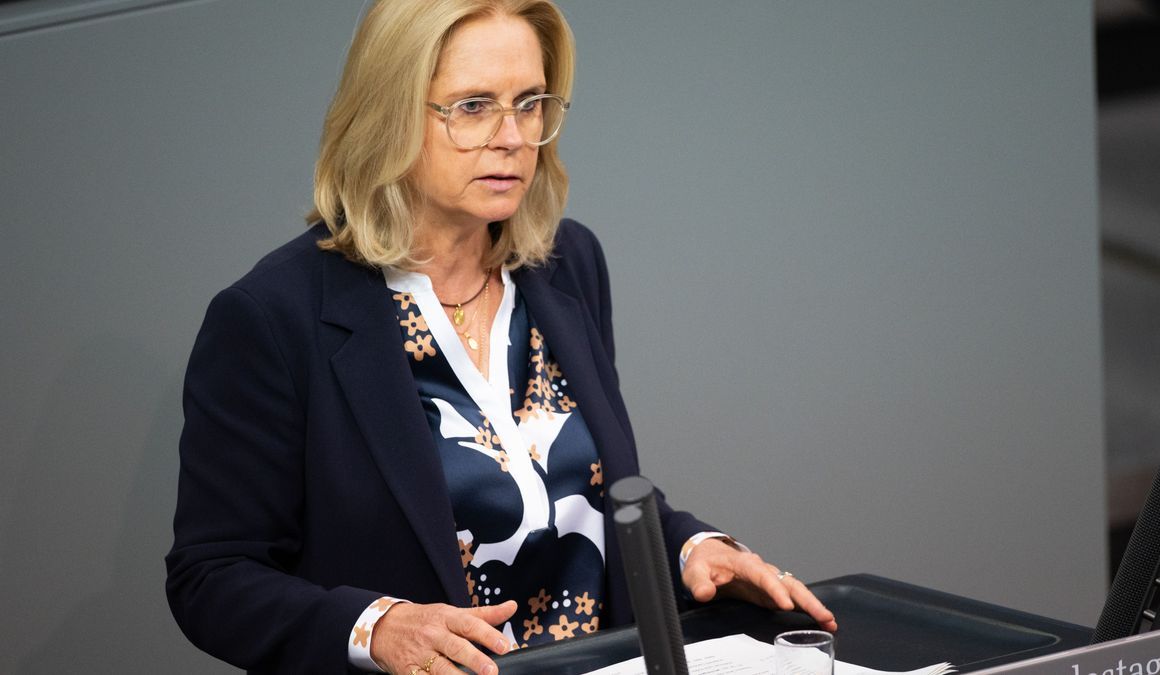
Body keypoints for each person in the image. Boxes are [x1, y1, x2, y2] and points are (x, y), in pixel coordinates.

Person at [165, 1, 836, 673]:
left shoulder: (567, 265)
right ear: (389, 113)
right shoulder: (272, 318)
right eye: (474, 107)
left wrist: (692, 548)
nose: (512, 136)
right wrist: (377, 626)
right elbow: (211, 575)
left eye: (530, 103)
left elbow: (584, 491)